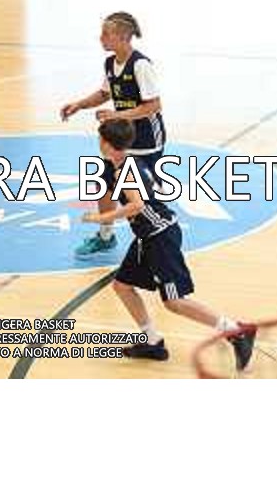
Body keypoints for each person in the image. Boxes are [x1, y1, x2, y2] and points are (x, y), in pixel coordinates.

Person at [82, 119, 256, 370]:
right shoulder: (126, 163)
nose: (98, 142)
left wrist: (101, 218)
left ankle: (236, 331)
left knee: (174, 302)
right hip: (147, 236)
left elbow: (137, 205)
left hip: (160, 236)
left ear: (107, 144)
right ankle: (153, 341)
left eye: (100, 138)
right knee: (122, 286)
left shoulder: (125, 172)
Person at [61, 12, 166, 258]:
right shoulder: (110, 63)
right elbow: (104, 94)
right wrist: (79, 105)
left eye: (106, 34)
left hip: (146, 140)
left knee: (143, 196)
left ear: (123, 37)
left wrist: (118, 115)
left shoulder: (140, 65)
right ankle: (106, 236)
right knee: (104, 182)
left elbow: (154, 105)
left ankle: (159, 236)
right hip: (122, 138)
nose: (101, 38)